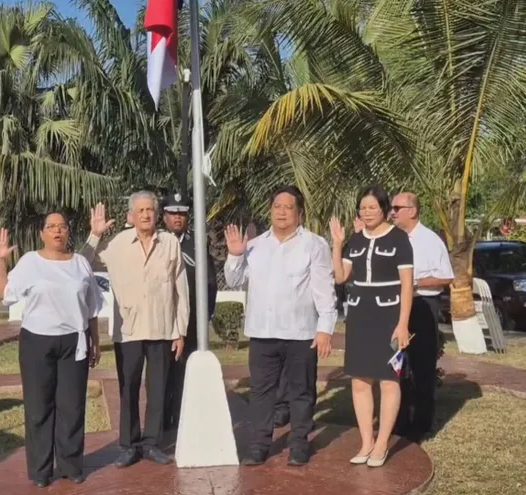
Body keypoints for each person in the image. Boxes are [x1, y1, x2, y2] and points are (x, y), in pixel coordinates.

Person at [224, 185, 336, 467]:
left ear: (299, 213)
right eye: (277, 207)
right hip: (262, 333)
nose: (282, 212)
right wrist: (236, 254)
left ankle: (299, 443)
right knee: (261, 393)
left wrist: (325, 328)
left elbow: (325, 289)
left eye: (288, 207)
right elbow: (234, 280)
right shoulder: (255, 244)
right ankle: (260, 444)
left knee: (301, 391)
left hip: (301, 333)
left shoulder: (315, 244)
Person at [79, 193, 189, 468]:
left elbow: (181, 290)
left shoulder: (170, 243)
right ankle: (129, 445)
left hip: (162, 328)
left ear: (157, 213)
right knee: (128, 389)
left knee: (158, 389)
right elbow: (81, 264)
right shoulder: (117, 244)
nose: (146, 215)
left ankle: (152, 443)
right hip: (128, 331)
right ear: (132, 215)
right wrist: (94, 234)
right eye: (140, 210)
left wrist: (180, 331)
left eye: (150, 209)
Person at [0, 213, 102, 488]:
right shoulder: (30, 261)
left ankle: (71, 465)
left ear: (68, 232)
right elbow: (4, 293)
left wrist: (95, 340)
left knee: (72, 407)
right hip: (37, 343)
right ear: (42, 233)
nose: (57, 231)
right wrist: (0, 260)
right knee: (39, 407)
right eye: (51, 227)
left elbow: (91, 308)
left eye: (62, 227)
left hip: (74, 342)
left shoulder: (80, 264)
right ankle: (41, 470)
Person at [329, 185, 414, 467]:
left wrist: (403, 325)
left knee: (389, 380)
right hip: (359, 317)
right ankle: (366, 442)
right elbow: (341, 277)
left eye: (372, 208)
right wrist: (338, 243)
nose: (366, 213)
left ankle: (381, 444)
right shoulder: (355, 240)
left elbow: (406, 286)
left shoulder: (400, 239)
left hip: (389, 318)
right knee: (359, 380)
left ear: (384, 209)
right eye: (362, 208)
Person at [390, 192, 454, 443]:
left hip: (422, 305)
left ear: (413, 211)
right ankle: (399, 420)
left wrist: (414, 283)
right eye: (392, 207)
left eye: (397, 207)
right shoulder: (393, 238)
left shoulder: (429, 241)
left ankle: (422, 425)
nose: (392, 212)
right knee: (396, 366)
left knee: (422, 366)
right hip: (395, 307)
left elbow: (446, 277)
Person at [160, 192, 218, 431]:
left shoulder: (197, 244)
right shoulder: (155, 242)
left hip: (192, 321)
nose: (177, 218)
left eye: (182, 213)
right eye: (173, 213)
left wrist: (206, 316)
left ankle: (184, 419)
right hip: (161, 321)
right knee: (162, 373)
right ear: (164, 216)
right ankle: (162, 423)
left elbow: (210, 282)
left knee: (187, 371)